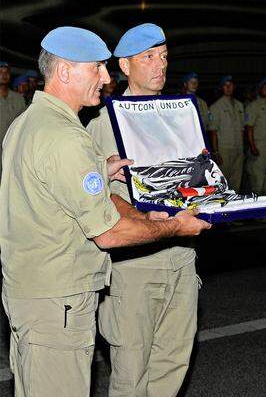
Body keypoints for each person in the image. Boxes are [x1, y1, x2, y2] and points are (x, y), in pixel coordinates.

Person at [0, 26, 209, 397]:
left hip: (43, 294)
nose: (105, 77)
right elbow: (107, 229)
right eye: (97, 68)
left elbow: (66, 190)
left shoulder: (31, 124)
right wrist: (172, 227)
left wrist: (101, 168)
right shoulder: (70, 134)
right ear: (65, 71)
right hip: (60, 298)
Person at [86, 23, 205, 396]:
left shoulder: (177, 117)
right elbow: (97, 196)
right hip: (135, 267)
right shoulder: (105, 122)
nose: (160, 65)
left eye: (164, 57)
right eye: (148, 57)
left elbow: (192, 181)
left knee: (173, 362)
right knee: (132, 373)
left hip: (181, 257)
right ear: (124, 66)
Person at [208, 75, 245, 191]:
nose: (228, 87)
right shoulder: (216, 107)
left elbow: (242, 129)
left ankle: (235, 204)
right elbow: (213, 131)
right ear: (221, 88)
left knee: (237, 179)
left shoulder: (240, 105)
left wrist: (243, 147)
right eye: (225, 85)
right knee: (224, 179)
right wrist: (216, 151)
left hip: (238, 148)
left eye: (231, 85)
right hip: (224, 149)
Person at [0, 61, 26, 183]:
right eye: (0, 72)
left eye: (6, 72)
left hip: (13, 150)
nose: (4, 75)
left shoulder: (18, 98)